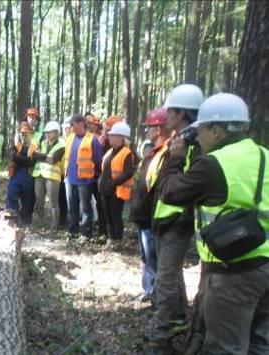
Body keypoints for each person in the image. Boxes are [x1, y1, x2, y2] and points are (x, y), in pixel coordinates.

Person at [157, 93, 269, 353]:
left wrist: (175, 158)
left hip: (235, 272)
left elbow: (170, 193)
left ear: (216, 130)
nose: (198, 137)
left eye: (202, 131)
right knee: (260, 344)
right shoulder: (264, 155)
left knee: (225, 347)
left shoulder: (214, 163)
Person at [147, 84, 204, 352]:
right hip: (165, 218)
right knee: (170, 276)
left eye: (170, 110)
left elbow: (184, 185)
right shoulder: (179, 140)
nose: (165, 115)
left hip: (177, 220)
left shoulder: (195, 144)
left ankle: (161, 336)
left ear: (181, 113)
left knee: (166, 279)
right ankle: (179, 319)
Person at [130, 107, 170, 303]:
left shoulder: (165, 154)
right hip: (143, 216)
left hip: (151, 216)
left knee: (153, 257)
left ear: (159, 129)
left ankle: (155, 293)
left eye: (150, 128)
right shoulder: (151, 154)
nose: (147, 131)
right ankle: (148, 289)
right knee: (146, 257)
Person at [64, 114, 103, 239]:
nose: (70, 127)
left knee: (85, 208)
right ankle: (72, 231)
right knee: (72, 206)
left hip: (85, 180)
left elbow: (98, 160)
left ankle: (86, 233)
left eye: (72, 124)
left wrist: (95, 176)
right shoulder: (70, 138)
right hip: (70, 179)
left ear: (80, 123)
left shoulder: (93, 139)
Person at [98, 121, 136, 248]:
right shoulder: (109, 151)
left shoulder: (126, 153)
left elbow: (128, 173)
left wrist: (113, 183)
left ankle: (117, 240)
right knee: (107, 216)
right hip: (105, 190)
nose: (109, 137)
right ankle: (110, 239)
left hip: (116, 191)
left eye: (112, 135)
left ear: (120, 137)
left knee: (115, 216)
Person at [33, 121, 65, 230]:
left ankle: (54, 225)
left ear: (56, 132)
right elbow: (34, 155)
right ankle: (40, 222)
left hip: (52, 177)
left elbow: (53, 159)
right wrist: (45, 156)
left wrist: (41, 156)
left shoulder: (61, 145)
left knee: (53, 202)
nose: (47, 134)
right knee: (39, 200)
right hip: (39, 175)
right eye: (46, 132)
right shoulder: (42, 143)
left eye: (49, 132)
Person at [6, 121, 39, 226]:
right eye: (22, 133)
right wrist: (25, 160)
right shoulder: (16, 146)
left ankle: (25, 220)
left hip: (29, 177)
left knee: (28, 199)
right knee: (12, 194)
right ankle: (11, 218)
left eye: (26, 133)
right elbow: (12, 156)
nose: (24, 135)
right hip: (16, 175)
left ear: (31, 134)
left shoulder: (35, 147)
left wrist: (19, 159)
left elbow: (32, 161)